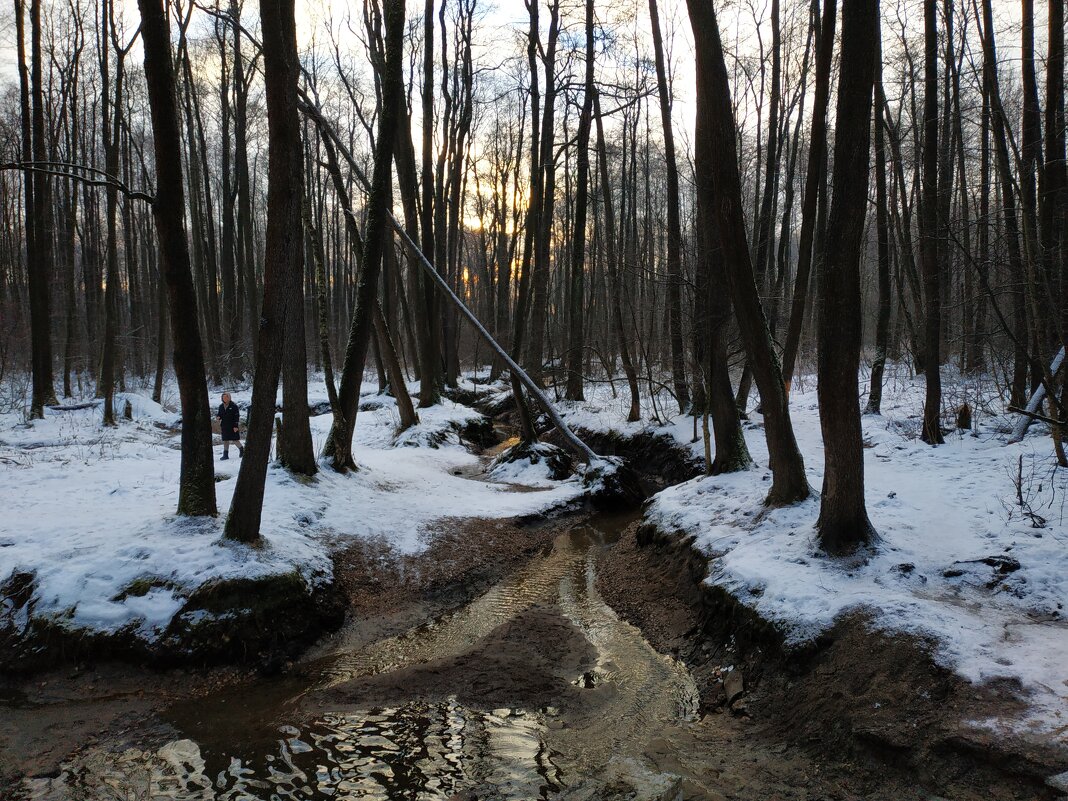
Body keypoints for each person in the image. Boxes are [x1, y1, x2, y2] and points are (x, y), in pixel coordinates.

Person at [217, 393, 244, 460]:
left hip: (232, 425)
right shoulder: (221, 406)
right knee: (225, 440)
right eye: (223, 398)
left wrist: (235, 426)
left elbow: (236, 416)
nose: (224, 399)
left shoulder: (234, 406)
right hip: (224, 425)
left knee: (235, 439)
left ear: (229, 398)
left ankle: (241, 450)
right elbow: (219, 414)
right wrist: (218, 417)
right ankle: (225, 455)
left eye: (226, 397)